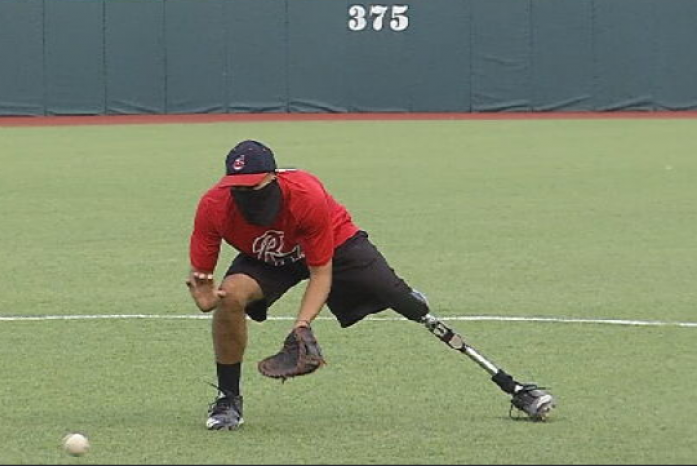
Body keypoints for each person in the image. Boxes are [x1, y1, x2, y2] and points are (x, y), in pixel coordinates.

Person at [186, 140, 555, 431]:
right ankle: (228, 399)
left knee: (399, 298)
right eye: (238, 188)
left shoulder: (305, 194)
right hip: (267, 256)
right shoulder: (214, 205)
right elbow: (203, 279)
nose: (246, 194)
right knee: (230, 297)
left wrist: (301, 324)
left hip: (336, 245)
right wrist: (208, 299)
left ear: (274, 178)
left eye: (254, 186)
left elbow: (320, 273)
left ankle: (513, 385)